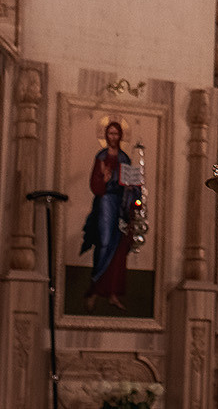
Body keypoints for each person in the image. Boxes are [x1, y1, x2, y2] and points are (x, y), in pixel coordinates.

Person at [80, 121, 132, 310]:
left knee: (118, 249)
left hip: (121, 205)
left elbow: (130, 184)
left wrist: (132, 188)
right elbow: (95, 185)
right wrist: (104, 179)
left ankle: (112, 294)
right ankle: (94, 289)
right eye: (109, 133)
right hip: (105, 204)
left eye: (116, 134)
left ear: (120, 136)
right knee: (103, 243)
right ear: (106, 135)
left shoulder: (125, 159)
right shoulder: (100, 157)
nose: (113, 137)